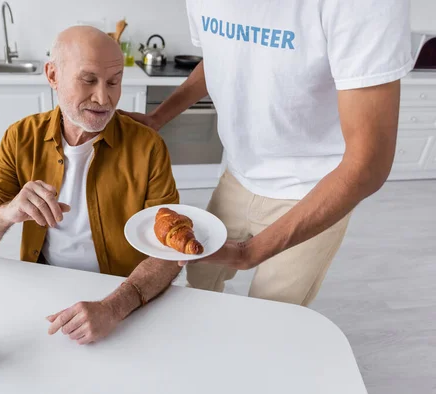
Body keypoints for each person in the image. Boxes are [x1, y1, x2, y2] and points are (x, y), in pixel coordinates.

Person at [121, 0, 413, 305]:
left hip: (311, 190)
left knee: (272, 311)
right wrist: (158, 117)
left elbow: (369, 164)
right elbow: (220, 55)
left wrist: (251, 253)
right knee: (198, 283)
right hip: (237, 174)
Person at [0, 26, 183, 345]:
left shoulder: (148, 147)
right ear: (53, 75)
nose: (104, 98)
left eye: (114, 82)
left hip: (126, 291)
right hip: (48, 286)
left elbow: (170, 254)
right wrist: (7, 213)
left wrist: (113, 308)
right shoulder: (21, 138)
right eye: (88, 80)